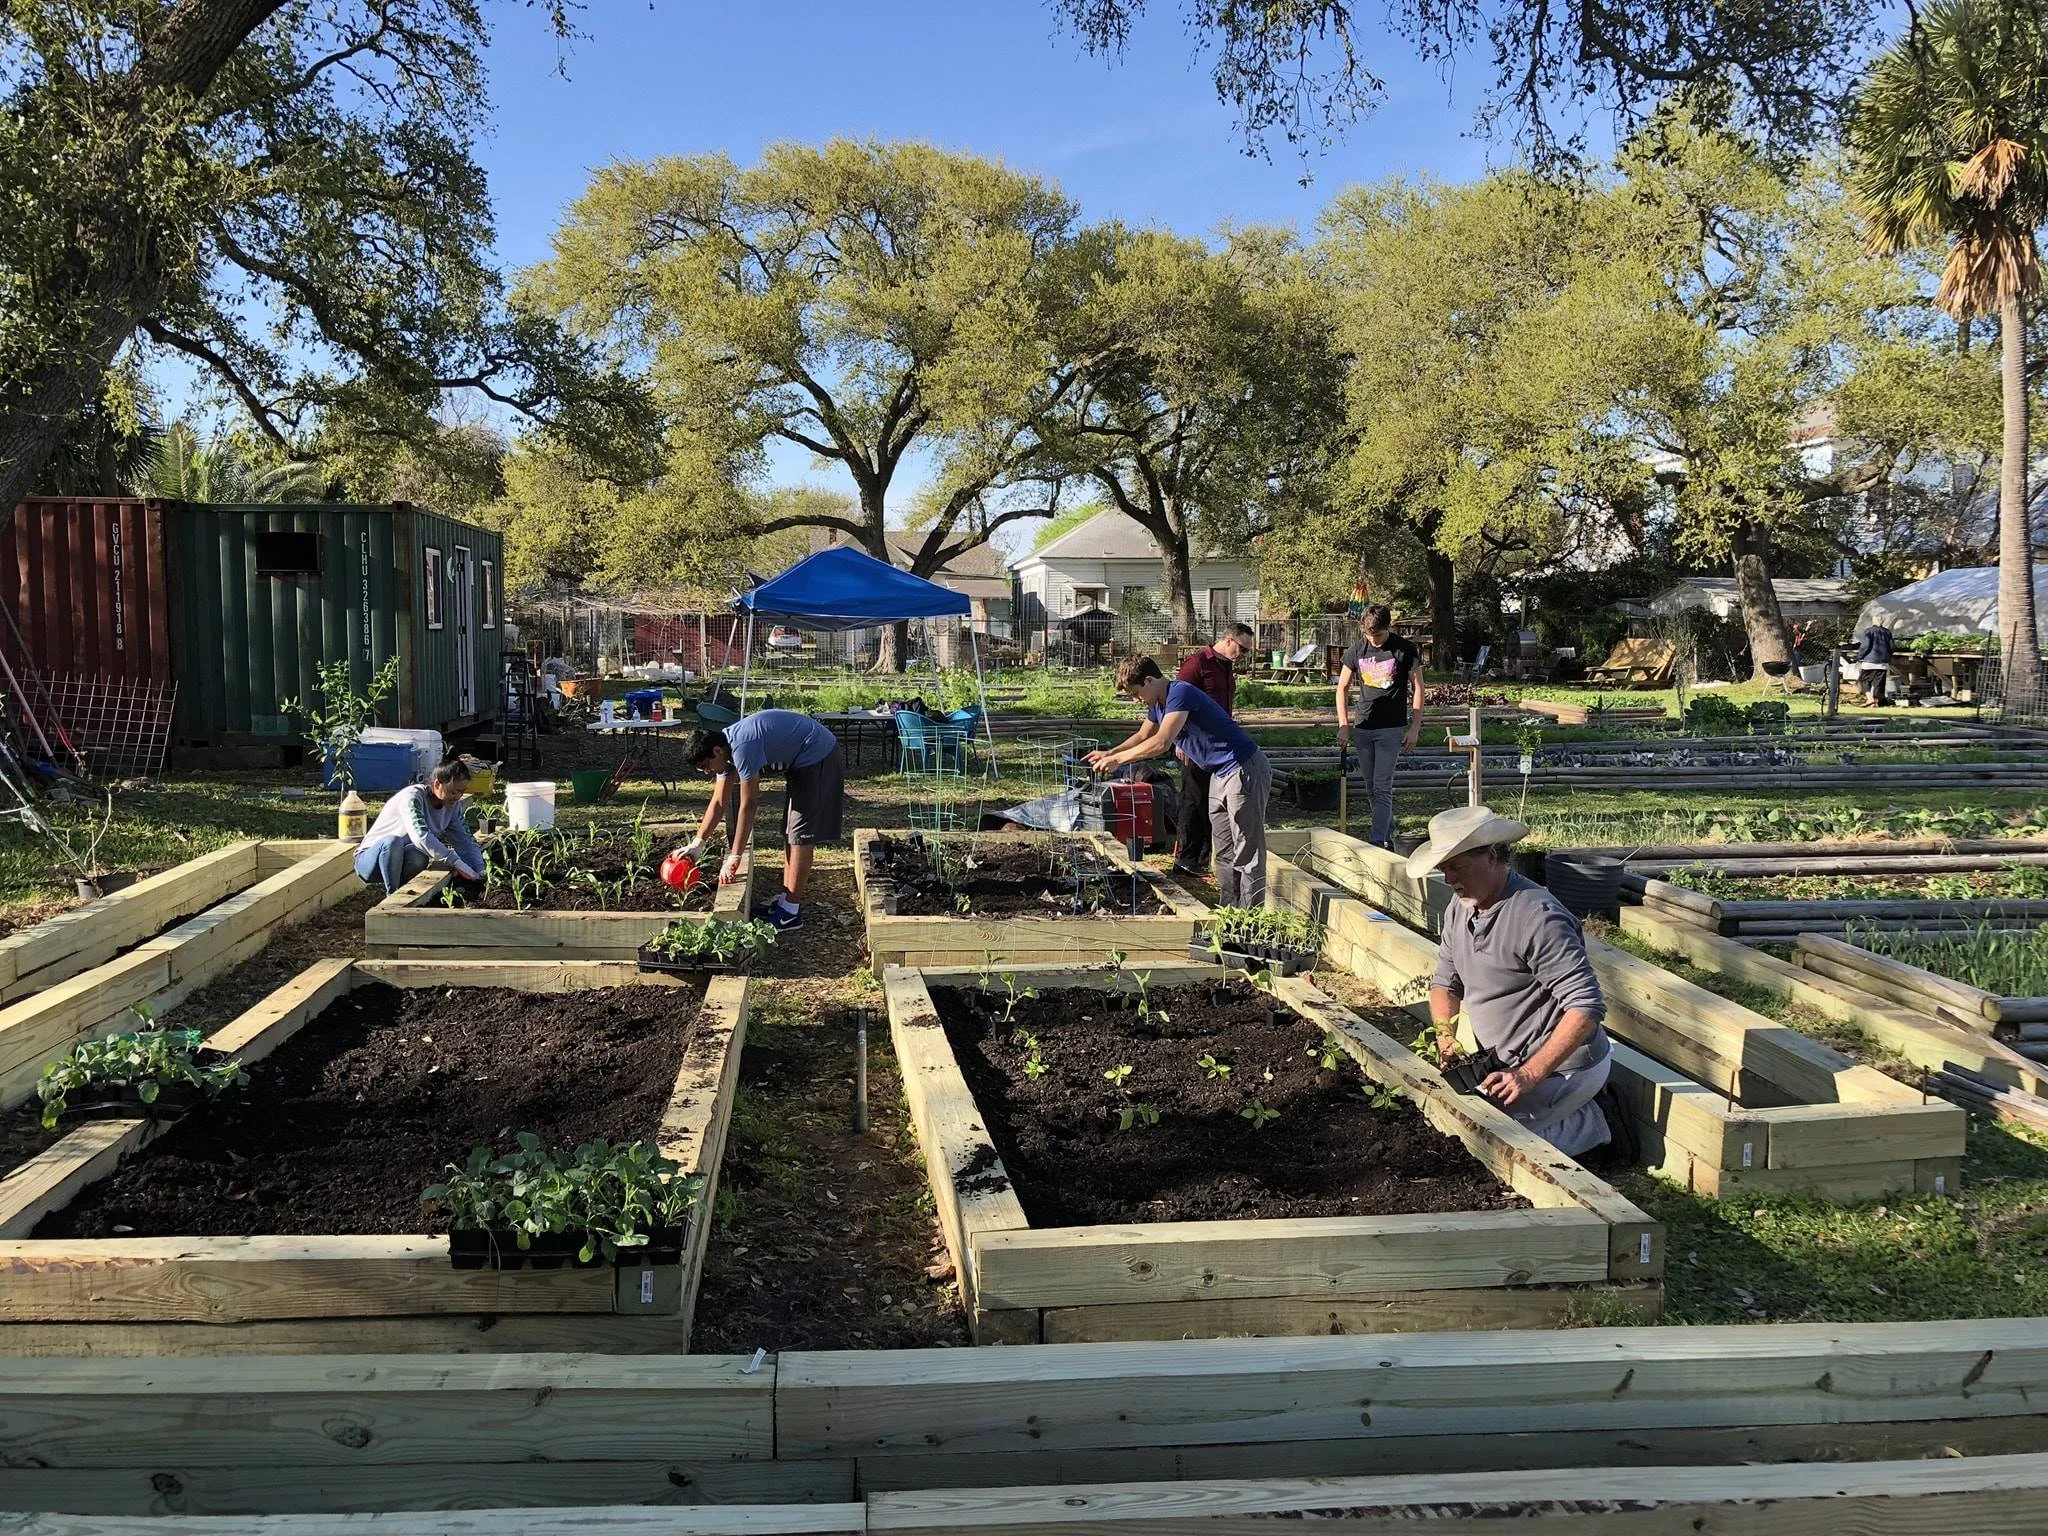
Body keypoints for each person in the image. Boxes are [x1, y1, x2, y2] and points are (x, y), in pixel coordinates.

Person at [1408, 804, 1613, 1156]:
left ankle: (1593, 1123)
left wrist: (1529, 1075)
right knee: (1465, 1124)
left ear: (1491, 856)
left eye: (1456, 867)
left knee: (1492, 1147)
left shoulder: (1538, 918)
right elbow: (1445, 984)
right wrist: (1446, 1038)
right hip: (1503, 1060)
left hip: (1561, 1068)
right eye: (1443, 869)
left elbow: (1586, 1006)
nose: (1449, 879)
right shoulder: (1461, 907)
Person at [1087, 656, 1273, 907]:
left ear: (1149, 680)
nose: (1135, 700)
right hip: (1218, 774)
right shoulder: (1158, 704)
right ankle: (1231, 912)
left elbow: (1161, 742)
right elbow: (1143, 735)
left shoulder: (1180, 693)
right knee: (1224, 850)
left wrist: (1119, 760)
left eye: (1136, 693)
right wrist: (1110, 753)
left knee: (1246, 849)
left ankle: (1251, 916)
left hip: (1242, 768)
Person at [680, 710, 845, 932]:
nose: (707, 772)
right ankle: (786, 901)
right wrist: (697, 844)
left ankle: (790, 913)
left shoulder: (742, 747)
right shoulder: (724, 752)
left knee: (800, 835)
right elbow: (719, 803)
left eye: (705, 766)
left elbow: (749, 805)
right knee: (790, 831)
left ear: (716, 751)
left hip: (818, 754)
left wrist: (735, 856)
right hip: (801, 759)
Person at [1172, 622, 1256, 881]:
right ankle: (1186, 860)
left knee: (1213, 803)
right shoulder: (1197, 664)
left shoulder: (1226, 666)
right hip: (1195, 745)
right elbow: (1174, 702)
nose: (1243, 655)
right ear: (1229, 640)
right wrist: (1179, 741)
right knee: (1193, 800)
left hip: (1220, 748)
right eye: (1242, 649)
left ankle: (1203, 859)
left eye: (1247, 651)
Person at [1335, 605, 1424, 849]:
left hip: (1390, 728)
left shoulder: (1403, 649)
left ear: (1388, 628)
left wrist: (1414, 728)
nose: (1373, 640)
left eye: (1379, 635)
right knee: (1371, 787)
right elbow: (1342, 687)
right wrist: (1344, 724)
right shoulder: (1357, 650)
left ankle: (1376, 842)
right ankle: (1389, 831)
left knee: (1382, 786)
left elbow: (1419, 687)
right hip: (1363, 726)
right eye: (1369, 635)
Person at [353, 758, 485, 895]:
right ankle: (392, 894)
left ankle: (404, 891)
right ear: (437, 784)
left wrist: (479, 868)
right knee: (393, 841)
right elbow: (420, 836)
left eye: (461, 792)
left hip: (400, 858)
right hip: (370, 861)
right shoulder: (413, 797)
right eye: (453, 792)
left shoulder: (452, 806)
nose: (457, 797)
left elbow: (464, 839)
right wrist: (454, 861)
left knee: (420, 855)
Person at [1855, 621, 1895, 707]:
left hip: (1869, 662)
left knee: (1863, 680)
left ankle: (1870, 698)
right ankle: (1875, 702)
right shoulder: (1887, 632)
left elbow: (1865, 646)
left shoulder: (1868, 631)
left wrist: (1860, 656)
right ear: (1882, 622)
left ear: (1873, 621)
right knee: (1877, 684)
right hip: (1883, 663)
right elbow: (1892, 647)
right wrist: (1888, 656)